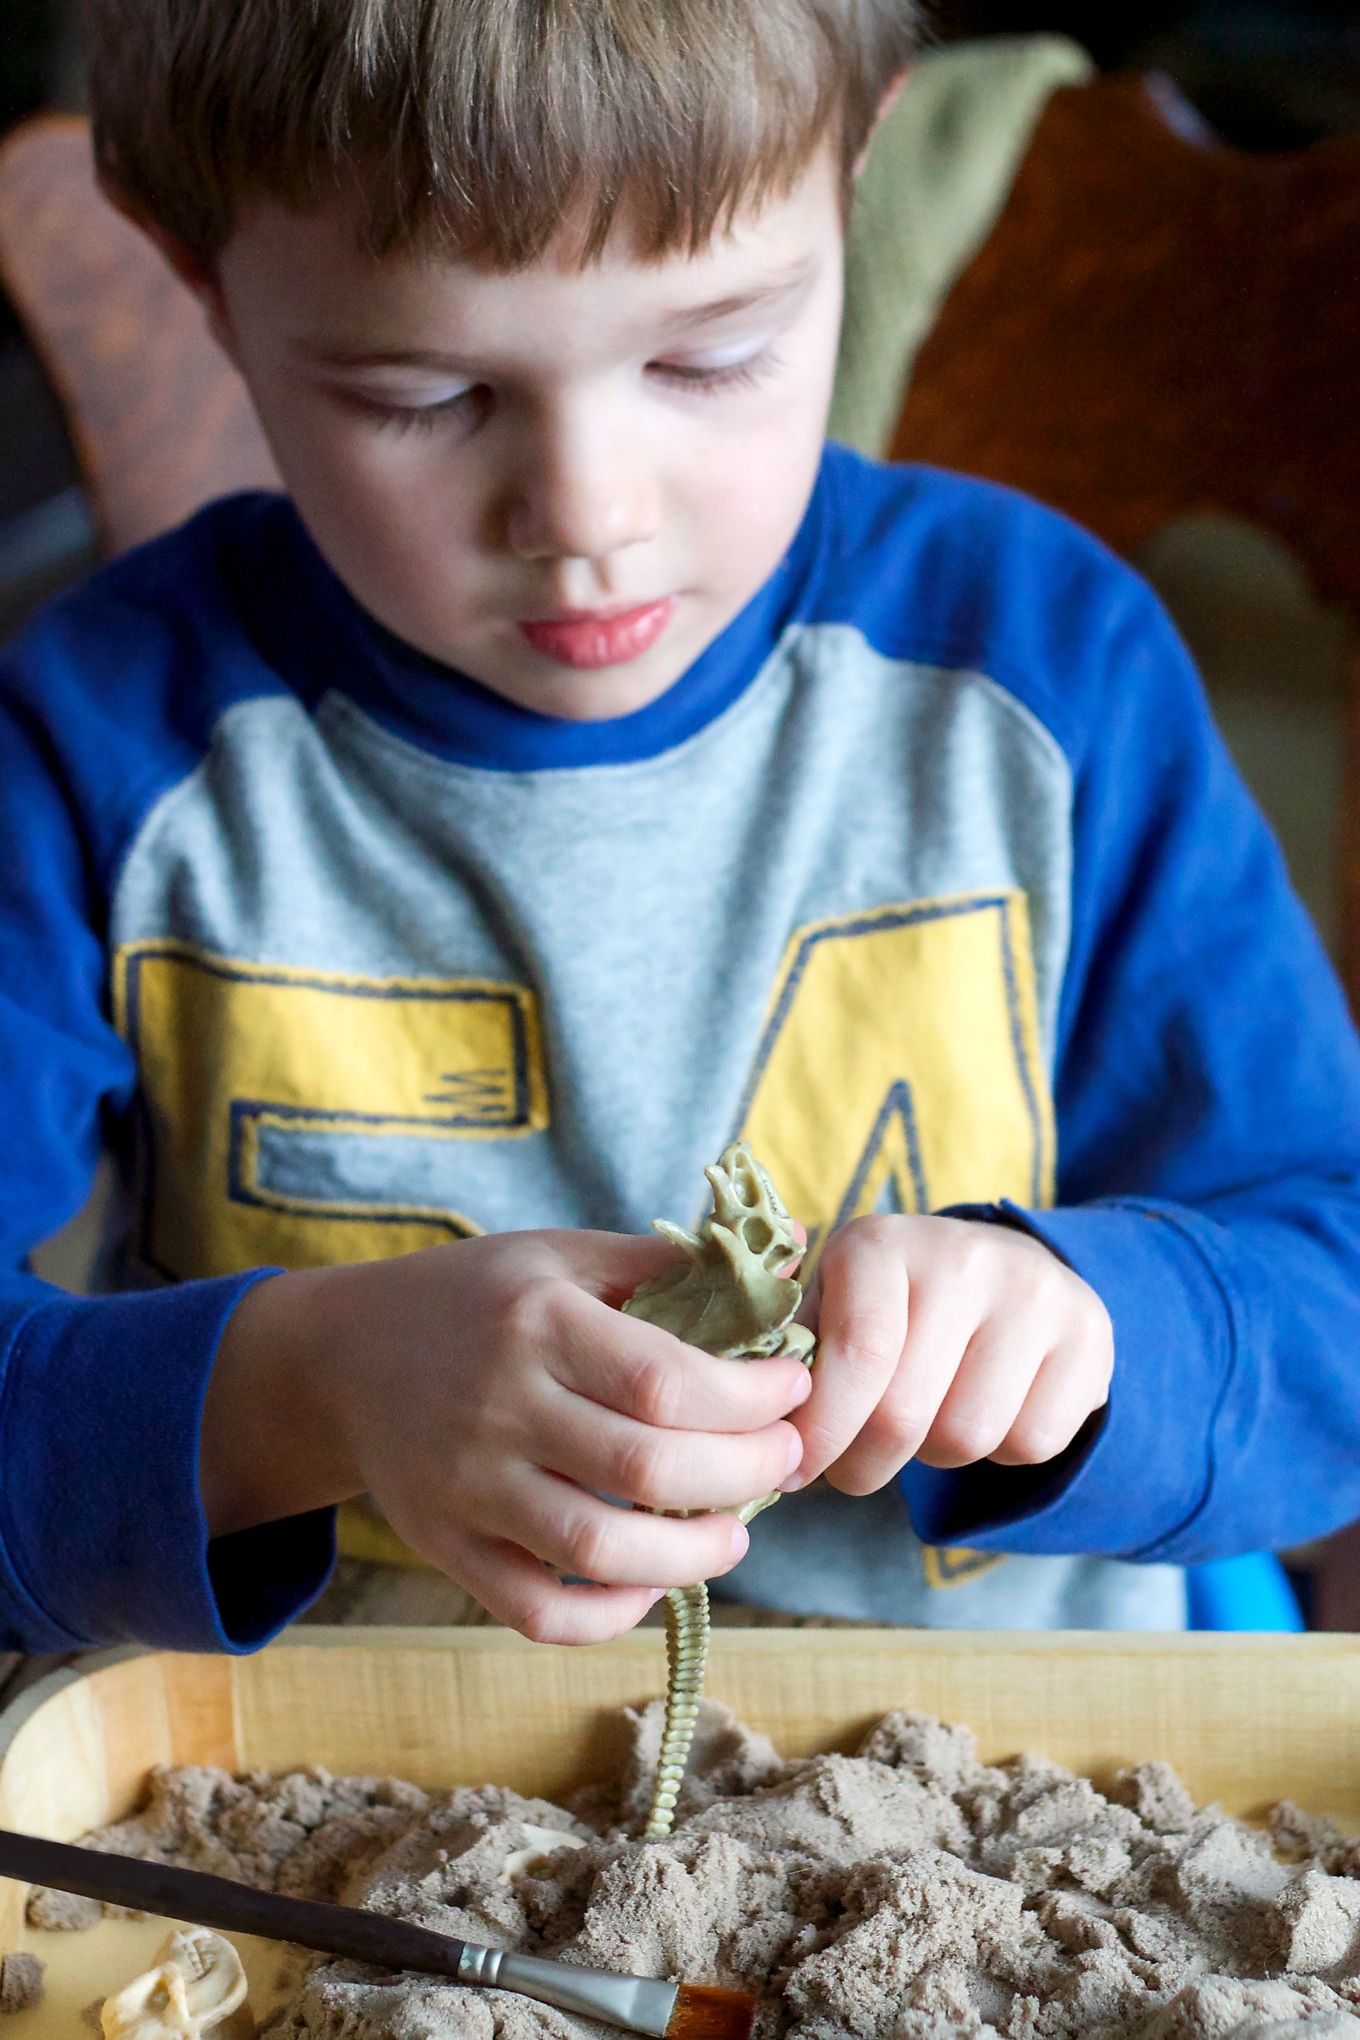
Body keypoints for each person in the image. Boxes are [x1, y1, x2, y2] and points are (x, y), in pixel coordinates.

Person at [2, 0, 1358, 1658]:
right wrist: (305, 1389)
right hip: (343, 1781)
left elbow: (1328, 1299)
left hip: (1023, 1757)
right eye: (426, 394)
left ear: (852, 180)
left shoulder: (1044, 673)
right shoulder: (98, 746)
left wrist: (1089, 1330)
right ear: (199, 279)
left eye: (710, 357)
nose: (587, 516)